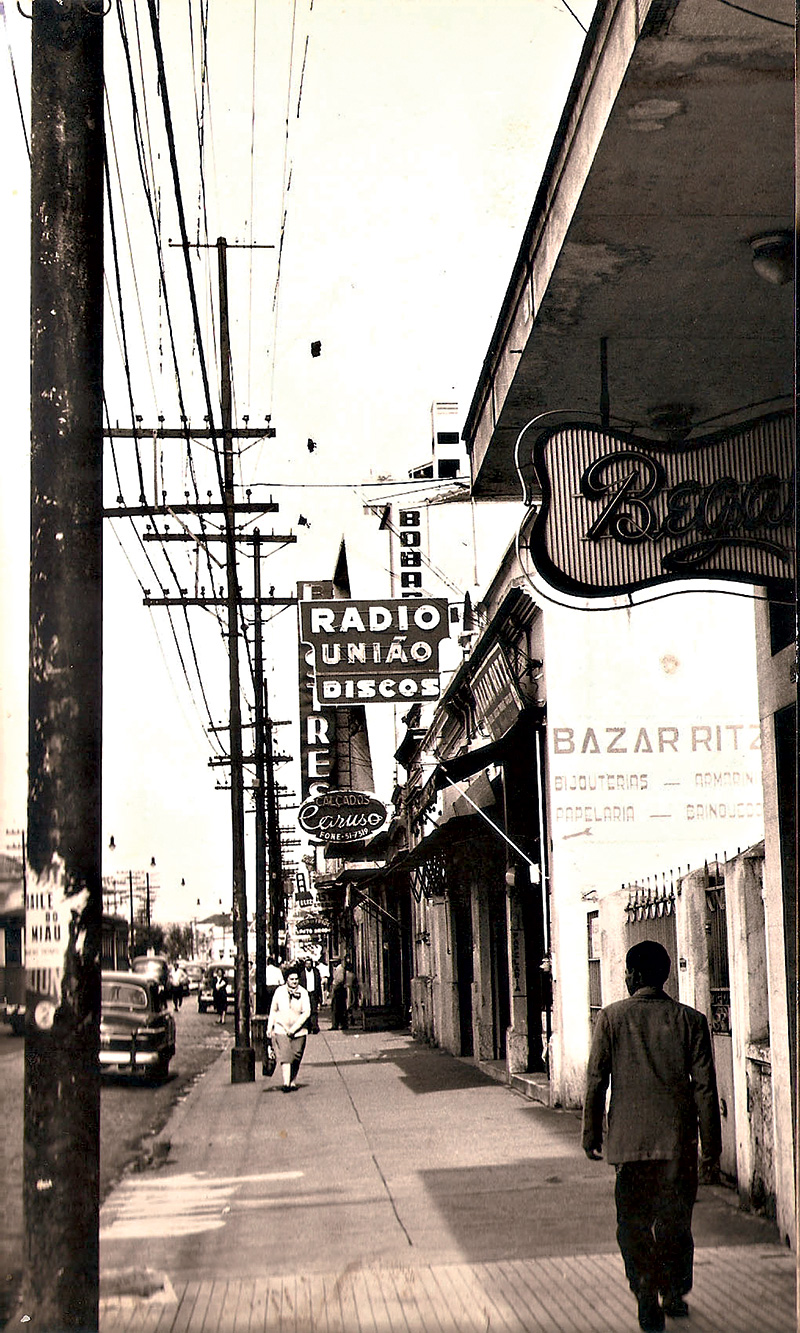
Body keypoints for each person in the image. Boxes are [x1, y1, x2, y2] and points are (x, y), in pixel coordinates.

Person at [582, 940, 721, 1333]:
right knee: (675, 1224)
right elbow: (705, 1088)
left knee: (633, 1225)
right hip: (677, 1145)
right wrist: (711, 1147)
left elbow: (596, 1080)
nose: (626, 978)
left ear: (636, 975)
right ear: (664, 975)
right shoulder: (691, 1021)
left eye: (628, 972)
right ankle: (673, 1292)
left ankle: (645, 1288)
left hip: (630, 1147)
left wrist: (591, 1132)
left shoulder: (610, 1018)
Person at [267, 963, 311, 1091]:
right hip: (281, 1028)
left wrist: (294, 1028)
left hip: (299, 1031)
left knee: (296, 1056)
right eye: (291, 979)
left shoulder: (303, 993)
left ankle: (292, 1081)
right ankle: (286, 1083)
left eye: (296, 979)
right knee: (286, 1056)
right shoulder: (279, 992)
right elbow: (273, 1010)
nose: (294, 981)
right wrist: (270, 1027)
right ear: (286, 979)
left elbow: (306, 1012)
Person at [300, 956, 322, 1033]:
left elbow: (318, 985)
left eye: (310, 964)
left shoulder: (316, 972)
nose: (308, 965)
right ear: (305, 965)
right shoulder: (302, 973)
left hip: (313, 993)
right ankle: (308, 1027)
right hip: (305, 994)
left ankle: (314, 1026)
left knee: (314, 1011)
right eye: (307, 964)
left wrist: (320, 996)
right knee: (306, 1011)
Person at [329, 957, 347, 1030]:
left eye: (334, 962)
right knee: (339, 1008)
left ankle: (337, 1025)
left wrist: (334, 986)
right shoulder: (338, 969)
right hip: (338, 990)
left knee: (337, 1008)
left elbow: (339, 980)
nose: (333, 964)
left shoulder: (339, 969)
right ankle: (341, 1024)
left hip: (338, 990)